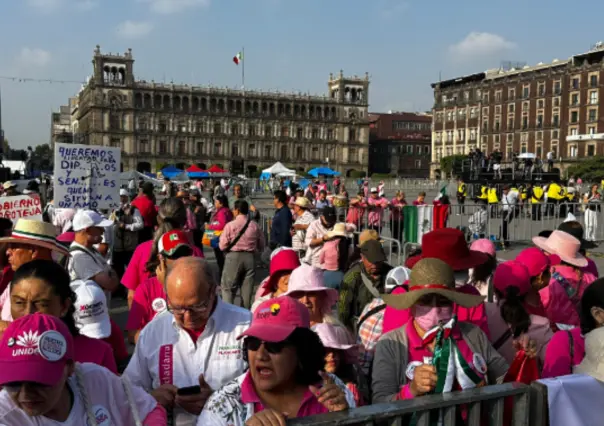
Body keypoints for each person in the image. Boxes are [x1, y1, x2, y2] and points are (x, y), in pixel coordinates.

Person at [124, 257, 251, 425]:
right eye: (177, 308)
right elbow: (128, 390)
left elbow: (267, 393)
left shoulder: (245, 326)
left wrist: (219, 402)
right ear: (167, 297)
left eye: (198, 306)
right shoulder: (153, 332)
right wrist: (150, 398)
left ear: (214, 290)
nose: (188, 317)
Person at [197, 296, 351, 426]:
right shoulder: (223, 406)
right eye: (253, 343)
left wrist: (346, 418)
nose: (260, 355)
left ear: (302, 350)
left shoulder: (332, 390)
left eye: (274, 345)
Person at [372, 258, 509, 404]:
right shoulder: (390, 344)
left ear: (453, 304)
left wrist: (522, 358)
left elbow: (506, 378)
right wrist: (411, 390)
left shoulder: (473, 335)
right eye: (425, 301)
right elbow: (380, 404)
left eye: (443, 301)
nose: (435, 309)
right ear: (411, 304)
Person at [0, 313, 166, 425]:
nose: (25, 394)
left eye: (38, 381)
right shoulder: (5, 414)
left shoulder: (96, 380)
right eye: (13, 383)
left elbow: (149, 410)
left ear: (69, 368)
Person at [8, 260, 117, 373]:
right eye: (19, 302)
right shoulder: (4, 348)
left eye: (42, 304)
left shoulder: (98, 353)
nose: (28, 313)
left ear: (64, 306)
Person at [122, 197, 204, 308]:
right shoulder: (194, 252)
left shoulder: (141, 249)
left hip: (149, 321)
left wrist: (140, 323)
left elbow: (131, 296)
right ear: (185, 221)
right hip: (184, 319)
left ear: (158, 219)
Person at [126, 230, 194, 344]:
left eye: (184, 254)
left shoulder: (200, 283)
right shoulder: (146, 289)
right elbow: (132, 334)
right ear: (161, 258)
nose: (181, 260)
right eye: (174, 255)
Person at [0, 219, 70, 328]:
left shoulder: (58, 286)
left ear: (33, 251)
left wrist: (10, 330)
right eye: (19, 302)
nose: (8, 252)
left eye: (13, 247)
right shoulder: (15, 282)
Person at [486, 260, 554, 366]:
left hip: (491, 381)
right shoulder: (543, 326)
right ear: (528, 291)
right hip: (527, 382)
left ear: (494, 290)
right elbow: (552, 367)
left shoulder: (481, 314)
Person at [533, 230, 597, 327]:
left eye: (544, 250)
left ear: (550, 255)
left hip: (554, 334)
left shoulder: (545, 279)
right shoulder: (590, 277)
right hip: (585, 331)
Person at [338, 240, 393, 330]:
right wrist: (346, 329)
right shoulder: (351, 277)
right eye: (371, 261)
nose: (375, 265)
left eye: (378, 261)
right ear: (362, 257)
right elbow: (343, 307)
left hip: (384, 325)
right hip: (360, 326)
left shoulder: (390, 272)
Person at [219, 200, 265, 309]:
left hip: (233, 257)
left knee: (228, 288)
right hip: (250, 258)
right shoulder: (254, 225)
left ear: (237, 210)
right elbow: (262, 245)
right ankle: (245, 314)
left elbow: (222, 245)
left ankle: (228, 312)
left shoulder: (230, 225)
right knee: (247, 290)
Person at [68, 210, 120, 302]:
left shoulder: (91, 249)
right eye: (99, 228)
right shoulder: (80, 256)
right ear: (87, 230)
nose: (103, 231)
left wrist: (110, 274)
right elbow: (111, 284)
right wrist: (112, 273)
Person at [314, 323, 365, 406]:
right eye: (325, 351)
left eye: (335, 350)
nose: (331, 355)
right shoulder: (308, 388)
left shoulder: (352, 389)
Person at [112, 188, 144, 279]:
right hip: (117, 246)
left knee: (131, 270)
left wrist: (126, 226)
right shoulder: (113, 210)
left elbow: (140, 225)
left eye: (123, 197)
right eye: (119, 197)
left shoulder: (133, 210)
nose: (121, 199)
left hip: (129, 246)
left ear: (127, 198)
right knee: (117, 270)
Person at [319, 223, 353, 289]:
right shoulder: (349, 246)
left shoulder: (327, 244)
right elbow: (349, 259)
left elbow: (320, 261)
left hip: (327, 275)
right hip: (342, 274)